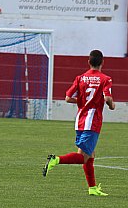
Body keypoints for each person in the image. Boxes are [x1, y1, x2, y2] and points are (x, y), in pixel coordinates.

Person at [42, 49, 115, 196]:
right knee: (84, 156)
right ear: (102, 62)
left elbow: (68, 98)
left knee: (90, 154)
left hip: (80, 121)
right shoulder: (105, 79)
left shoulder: (80, 78)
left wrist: (81, 101)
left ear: (88, 62)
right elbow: (107, 99)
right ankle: (55, 160)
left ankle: (92, 188)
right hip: (93, 122)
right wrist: (112, 105)